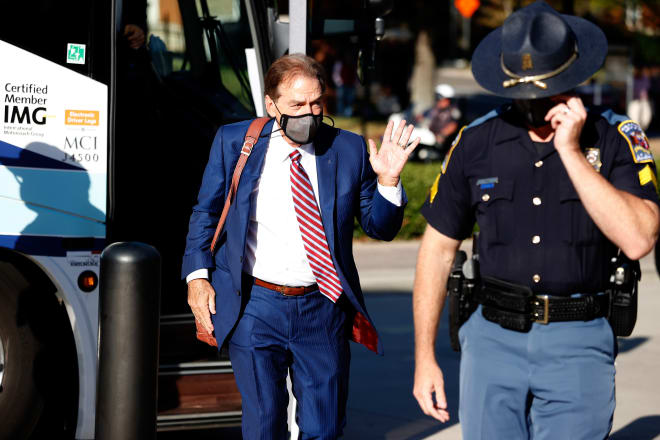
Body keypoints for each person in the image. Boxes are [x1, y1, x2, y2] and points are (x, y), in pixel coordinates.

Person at [412, 2, 660, 439]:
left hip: (578, 340)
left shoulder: (616, 137)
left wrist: (571, 153)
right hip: (491, 339)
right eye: (522, 95)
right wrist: (424, 358)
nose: (534, 106)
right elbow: (437, 249)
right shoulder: (476, 141)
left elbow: (639, 239)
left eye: (545, 92)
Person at [182, 53, 419, 439]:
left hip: (321, 308)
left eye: (316, 103)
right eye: (295, 105)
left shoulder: (349, 149)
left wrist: (389, 182)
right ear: (270, 104)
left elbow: (380, 228)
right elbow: (205, 213)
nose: (307, 113)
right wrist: (197, 277)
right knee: (263, 424)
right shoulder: (235, 142)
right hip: (255, 305)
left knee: (324, 429)